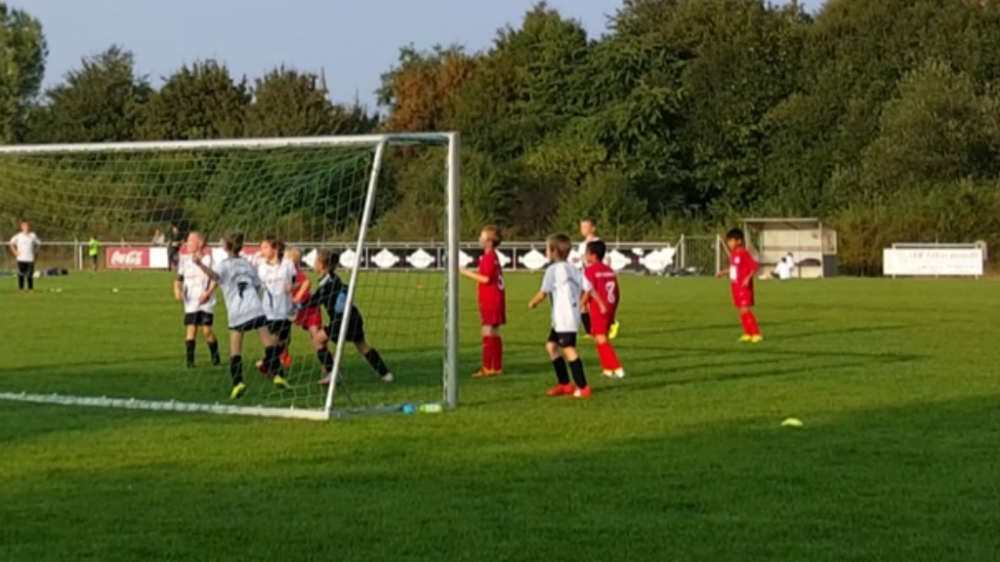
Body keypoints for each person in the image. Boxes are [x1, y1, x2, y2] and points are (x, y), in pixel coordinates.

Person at [192, 232, 291, 399]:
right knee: (268, 342)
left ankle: (238, 383)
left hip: (237, 311)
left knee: (235, 349)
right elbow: (257, 284)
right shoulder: (246, 264)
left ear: (226, 247)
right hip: (255, 307)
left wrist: (200, 264)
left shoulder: (223, 265)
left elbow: (214, 276)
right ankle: (278, 375)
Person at [296, 250, 394, 386]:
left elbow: (316, 300)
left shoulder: (327, 284)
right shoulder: (333, 279)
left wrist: (298, 306)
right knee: (363, 346)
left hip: (341, 321)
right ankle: (386, 374)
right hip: (354, 318)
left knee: (317, 340)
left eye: (315, 261)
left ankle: (332, 374)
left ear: (321, 265)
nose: (314, 263)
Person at [529, 233, 590, 399]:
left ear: (554, 251)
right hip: (563, 318)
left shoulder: (553, 270)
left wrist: (533, 303)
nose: (546, 252)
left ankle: (583, 387)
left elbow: (543, 292)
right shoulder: (573, 269)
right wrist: (579, 303)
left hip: (564, 318)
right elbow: (587, 287)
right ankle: (564, 384)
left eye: (547, 249)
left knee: (568, 349)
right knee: (551, 346)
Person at [460, 225, 506, 378]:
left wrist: (465, 272)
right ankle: (496, 366)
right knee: (494, 331)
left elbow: (486, 279)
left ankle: (488, 367)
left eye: (482, 237)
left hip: (490, 300)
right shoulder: (493, 256)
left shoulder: (488, 257)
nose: (479, 239)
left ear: (489, 241)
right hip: (496, 299)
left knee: (487, 331)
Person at [173, 232, 221, 368]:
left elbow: (215, 279)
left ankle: (215, 357)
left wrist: (208, 293)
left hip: (205, 301)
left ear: (199, 243)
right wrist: (177, 289)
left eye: (190, 240)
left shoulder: (209, 260)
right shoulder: (185, 260)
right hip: (190, 301)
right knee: (191, 328)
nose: (187, 243)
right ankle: (190, 362)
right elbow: (179, 279)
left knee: (206, 330)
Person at [581, 240, 625, 378]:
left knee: (601, 338)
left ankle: (617, 367)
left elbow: (589, 290)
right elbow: (617, 292)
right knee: (599, 337)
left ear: (593, 255)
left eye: (586, 253)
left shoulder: (590, 270)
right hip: (610, 306)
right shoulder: (609, 270)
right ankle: (607, 369)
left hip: (598, 308)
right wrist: (613, 310)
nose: (584, 255)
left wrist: (581, 304)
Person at [572, 217, 620, 340]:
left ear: (593, 228)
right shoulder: (582, 245)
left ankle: (612, 323)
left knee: (595, 303)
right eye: (581, 227)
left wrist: (605, 272)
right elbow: (581, 259)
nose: (582, 229)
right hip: (585, 277)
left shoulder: (598, 243)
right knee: (584, 304)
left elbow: (607, 258)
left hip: (597, 278)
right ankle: (590, 331)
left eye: (585, 226)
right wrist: (575, 260)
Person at [254, 237, 297, 374]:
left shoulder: (288, 265)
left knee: (285, 341)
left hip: (286, 309)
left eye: (265, 247)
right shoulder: (262, 268)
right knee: (273, 338)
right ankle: (274, 370)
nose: (262, 250)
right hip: (270, 311)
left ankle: (266, 363)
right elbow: (256, 288)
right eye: (261, 248)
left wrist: (293, 286)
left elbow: (296, 281)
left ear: (275, 249)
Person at [717, 228, 762, 343]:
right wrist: (724, 272)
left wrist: (747, 278)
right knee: (741, 310)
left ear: (739, 241)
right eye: (728, 241)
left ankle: (756, 333)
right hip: (735, 285)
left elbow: (754, 267)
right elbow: (734, 268)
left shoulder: (743, 253)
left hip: (743, 286)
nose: (729, 243)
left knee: (745, 309)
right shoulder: (733, 254)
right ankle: (747, 333)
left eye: (731, 241)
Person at [286, 247, 325, 371]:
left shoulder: (296, 273)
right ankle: (283, 358)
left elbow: (306, 282)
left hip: (309, 308)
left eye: (287, 258)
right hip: (295, 309)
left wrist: (297, 297)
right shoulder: (285, 273)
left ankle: (328, 363)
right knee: (284, 334)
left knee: (316, 336)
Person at [9, 220, 41, 293]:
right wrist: (15, 252)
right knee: (21, 274)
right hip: (21, 258)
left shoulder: (33, 235)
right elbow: (11, 243)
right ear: (22, 227)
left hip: (30, 258)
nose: (26, 228)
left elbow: (38, 243)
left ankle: (30, 288)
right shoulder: (18, 236)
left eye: (27, 226)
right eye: (24, 226)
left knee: (30, 274)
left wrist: (35, 252)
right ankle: (21, 288)